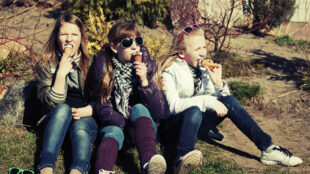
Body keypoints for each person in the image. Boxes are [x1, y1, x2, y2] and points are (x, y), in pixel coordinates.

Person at [156, 24, 303, 173]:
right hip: (172, 129)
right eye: (197, 49)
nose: (203, 53)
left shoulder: (203, 69)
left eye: (204, 47)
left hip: (197, 125)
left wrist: (218, 84)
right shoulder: (170, 71)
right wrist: (208, 101)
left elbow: (222, 102)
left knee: (230, 102)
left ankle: (268, 148)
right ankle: (181, 158)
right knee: (193, 110)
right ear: (182, 53)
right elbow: (174, 105)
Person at [87, 21, 167, 174]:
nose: (135, 46)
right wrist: (125, 126)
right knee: (113, 131)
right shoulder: (103, 67)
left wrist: (144, 82)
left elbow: (158, 112)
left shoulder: (146, 65)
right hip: (117, 126)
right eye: (127, 42)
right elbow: (104, 109)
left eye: (138, 41)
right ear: (114, 47)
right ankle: (103, 170)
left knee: (139, 108)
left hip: (143, 131)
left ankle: (148, 163)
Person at [36, 13, 98, 174]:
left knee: (81, 126)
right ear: (57, 37)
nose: (69, 39)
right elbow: (49, 104)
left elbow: (102, 100)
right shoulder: (46, 63)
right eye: (64, 34)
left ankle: (78, 170)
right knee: (62, 109)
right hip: (55, 118)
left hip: (83, 117)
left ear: (81, 38)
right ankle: (46, 168)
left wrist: (86, 111)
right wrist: (61, 74)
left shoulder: (92, 63)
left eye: (74, 34)